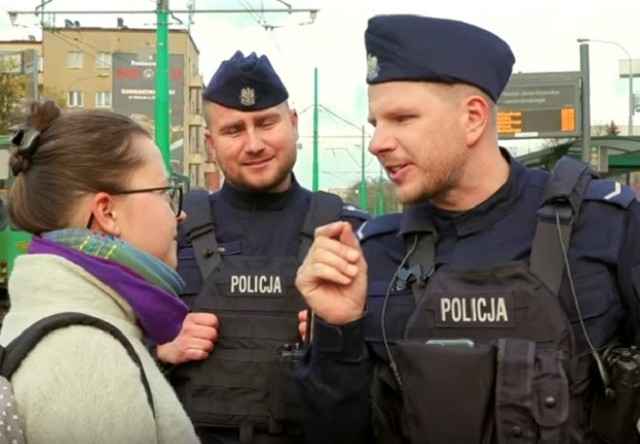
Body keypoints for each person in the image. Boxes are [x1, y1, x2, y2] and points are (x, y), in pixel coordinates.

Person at [295, 14, 640, 444]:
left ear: (473, 117)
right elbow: (335, 432)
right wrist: (337, 331)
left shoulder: (607, 224)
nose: (377, 142)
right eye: (375, 124)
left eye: (402, 118)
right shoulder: (374, 254)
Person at [155, 50, 369, 444]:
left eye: (266, 123)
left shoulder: (347, 234)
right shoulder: (170, 232)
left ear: (293, 124)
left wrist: (340, 337)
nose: (254, 144)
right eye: (234, 130)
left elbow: (380, 380)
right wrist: (160, 351)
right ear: (211, 142)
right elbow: (113, 351)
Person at [0, 100, 200, 444]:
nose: (178, 215)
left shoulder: (57, 321)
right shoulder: (86, 360)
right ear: (107, 213)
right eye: (165, 192)